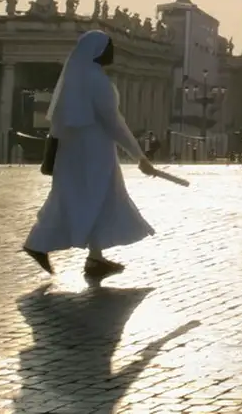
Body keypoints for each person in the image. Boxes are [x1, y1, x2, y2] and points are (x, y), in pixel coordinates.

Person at [23, 31, 161, 280]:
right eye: (109, 47)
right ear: (97, 51)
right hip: (95, 152)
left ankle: (95, 258)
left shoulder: (75, 80)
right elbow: (114, 122)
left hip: (73, 150)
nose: (113, 52)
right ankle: (37, 243)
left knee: (86, 197)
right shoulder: (97, 81)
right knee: (91, 197)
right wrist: (139, 155)